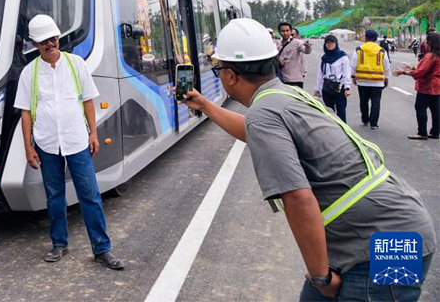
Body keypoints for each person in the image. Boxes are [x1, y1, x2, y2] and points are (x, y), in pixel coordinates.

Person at [181, 18, 435, 301]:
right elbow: (253, 131)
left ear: (229, 75)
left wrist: (321, 277)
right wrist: (204, 105)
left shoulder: (264, 113)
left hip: (389, 243)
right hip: (397, 227)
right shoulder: (285, 94)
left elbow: (299, 199)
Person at [14, 14, 124, 270]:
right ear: (35, 44)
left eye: (53, 39)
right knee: (54, 196)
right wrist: (28, 147)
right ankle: (59, 244)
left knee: (90, 196)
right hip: (47, 143)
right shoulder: (29, 73)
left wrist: (93, 134)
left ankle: (102, 248)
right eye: (43, 42)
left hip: (77, 141)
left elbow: (88, 101)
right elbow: (25, 113)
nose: (50, 44)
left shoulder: (76, 65)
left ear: (58, 38)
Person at [396, 31, 440, 140]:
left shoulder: (430, 56)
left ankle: (422, 132)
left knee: (420, 108)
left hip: (427, 86)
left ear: (430, 42)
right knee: (435, 109)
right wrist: (414, 68)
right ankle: (435, 131)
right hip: (437, 85)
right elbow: (430, 70)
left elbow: (421, 72)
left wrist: (404, 72)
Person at [352, 29, 389, 130]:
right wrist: (386, 78)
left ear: (366, 38)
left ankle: (365, 119)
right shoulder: (381, 51)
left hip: (362, 81)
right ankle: (374, 124)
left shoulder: (358, 49)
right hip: (377, 82)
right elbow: (386, 66)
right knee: (376, 102)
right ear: (376, 39)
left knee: (363, 101)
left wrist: (353, 76)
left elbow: (353, 65)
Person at [314, 34, 352, 122]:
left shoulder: (343, 57)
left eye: (332, 42)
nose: (330, 45)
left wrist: (347, 87)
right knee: (328, 111)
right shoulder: (323, 57)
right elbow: (320, 74)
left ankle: (343, 129)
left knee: (341, 110)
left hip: (339, 87)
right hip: (327, 87)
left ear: (336, 44)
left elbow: (347, 72)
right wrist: (317, 89)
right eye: (327, 43)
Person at [277, 22, 312, 87]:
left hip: (295, 80)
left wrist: (308, 47)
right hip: (282, 80)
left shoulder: (297, 42)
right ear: (279, 32)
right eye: (283, 31)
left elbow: (306, 51)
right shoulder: (278, 45)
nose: (285, 33)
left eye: (287, 31)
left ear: (290, 31)